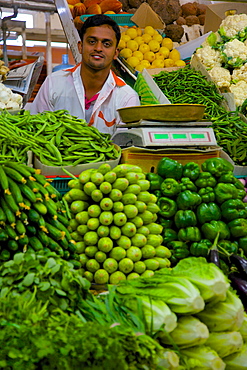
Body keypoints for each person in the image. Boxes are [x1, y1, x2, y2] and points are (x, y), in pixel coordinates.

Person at [26, 14, 140, 135]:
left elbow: (124, 145)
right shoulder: (54, 83)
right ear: (80, 47)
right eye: (92, 41)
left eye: (106, 44)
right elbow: (36, 129)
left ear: (116, 53)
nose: (98, 48)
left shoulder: (127, 98)